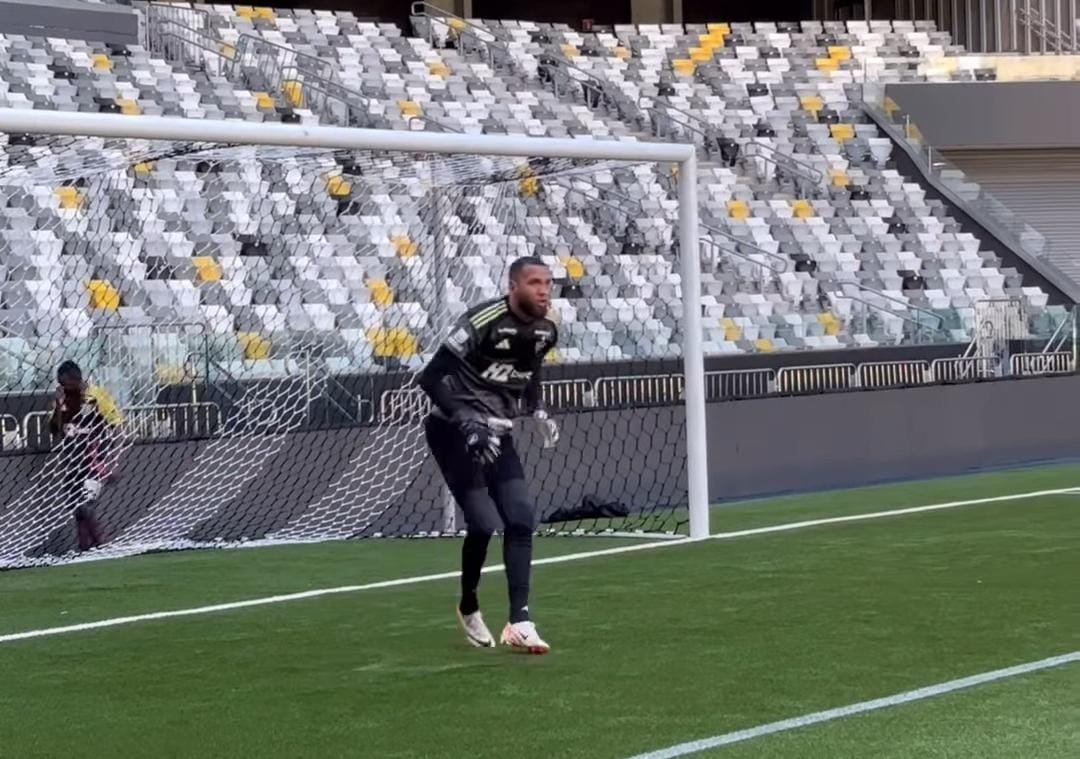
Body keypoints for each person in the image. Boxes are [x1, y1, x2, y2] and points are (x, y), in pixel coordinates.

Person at [418, 256, 560, 654]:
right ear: (513, 286)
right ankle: (468, 604)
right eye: (534, 282)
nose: (544, 290)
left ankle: (520, 621)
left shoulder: (547, 330)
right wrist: (465, 420)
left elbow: (530, 370)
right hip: (451, 430)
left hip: (499, 430)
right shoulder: (483, 321)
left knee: (520, 517)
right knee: (483, 523)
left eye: (548, 282)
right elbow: (429, 377)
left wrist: (537, 409)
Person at [48, 360, 122, 551]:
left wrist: (112, 462)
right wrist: (58, 404)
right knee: (76, 506)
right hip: (72, 460)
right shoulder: (63, 399)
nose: (62, 387)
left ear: (76, 379)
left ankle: (102, 544)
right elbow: (54, 429)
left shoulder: (97, 395)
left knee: (86, 503)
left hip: (95, 458)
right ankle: (85, 548)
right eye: (60, 384)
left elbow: (115, 424)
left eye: (65, 383)